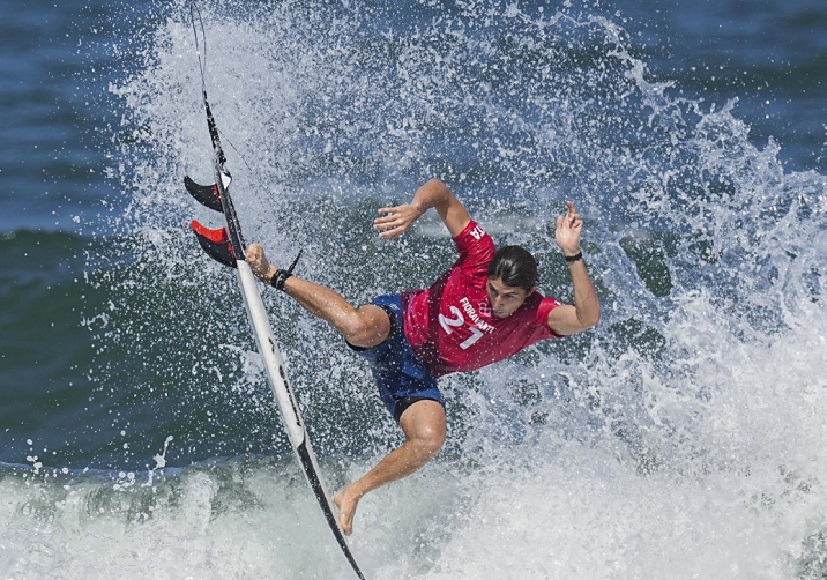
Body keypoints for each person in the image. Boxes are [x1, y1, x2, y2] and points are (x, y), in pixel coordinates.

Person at [245, 178, 600, 534]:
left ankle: (353, 492)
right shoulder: (479, 256)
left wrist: (572, 253)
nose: (498, 301)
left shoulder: (538, 316)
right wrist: (416, 208)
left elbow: (587, 318)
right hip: (397, 321)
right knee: (357, 326)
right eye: (494, 291)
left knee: (430, 440)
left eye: (509, 296)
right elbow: (440, 192)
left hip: (415, 372)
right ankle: (272, 273)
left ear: (529, 293)